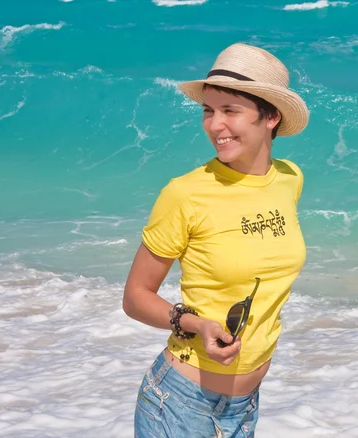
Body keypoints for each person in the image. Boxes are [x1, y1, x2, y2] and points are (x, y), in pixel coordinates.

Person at [123, 42, 309, 438]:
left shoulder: (290, 179)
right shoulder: (185, 193)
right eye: (208, 111)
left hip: (244, 408)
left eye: (230, 111)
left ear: (271, 117)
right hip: (178, 404)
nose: (214, 125)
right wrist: (195, 324)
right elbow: (136, 296)